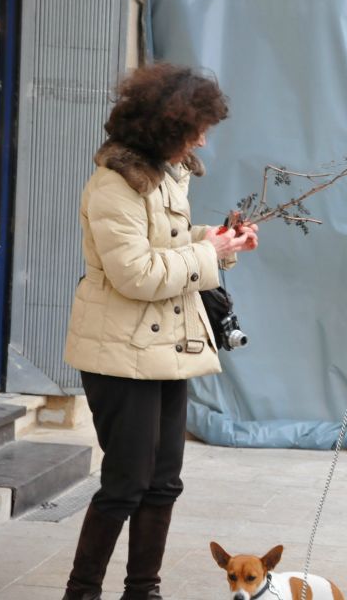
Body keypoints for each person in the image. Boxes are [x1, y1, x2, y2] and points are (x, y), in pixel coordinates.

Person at [61, 63, 259, 600]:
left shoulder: (169, 174)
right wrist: (208, 252)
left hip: (166, 348)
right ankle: (81, 592)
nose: (202, 139)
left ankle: (142, 590)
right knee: (125, 483)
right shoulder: (114, 184)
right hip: (119, 352)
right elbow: (136, 273)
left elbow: (168, 243)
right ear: (163, 127)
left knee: (164, 482)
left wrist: (219, 239)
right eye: (196, 129)